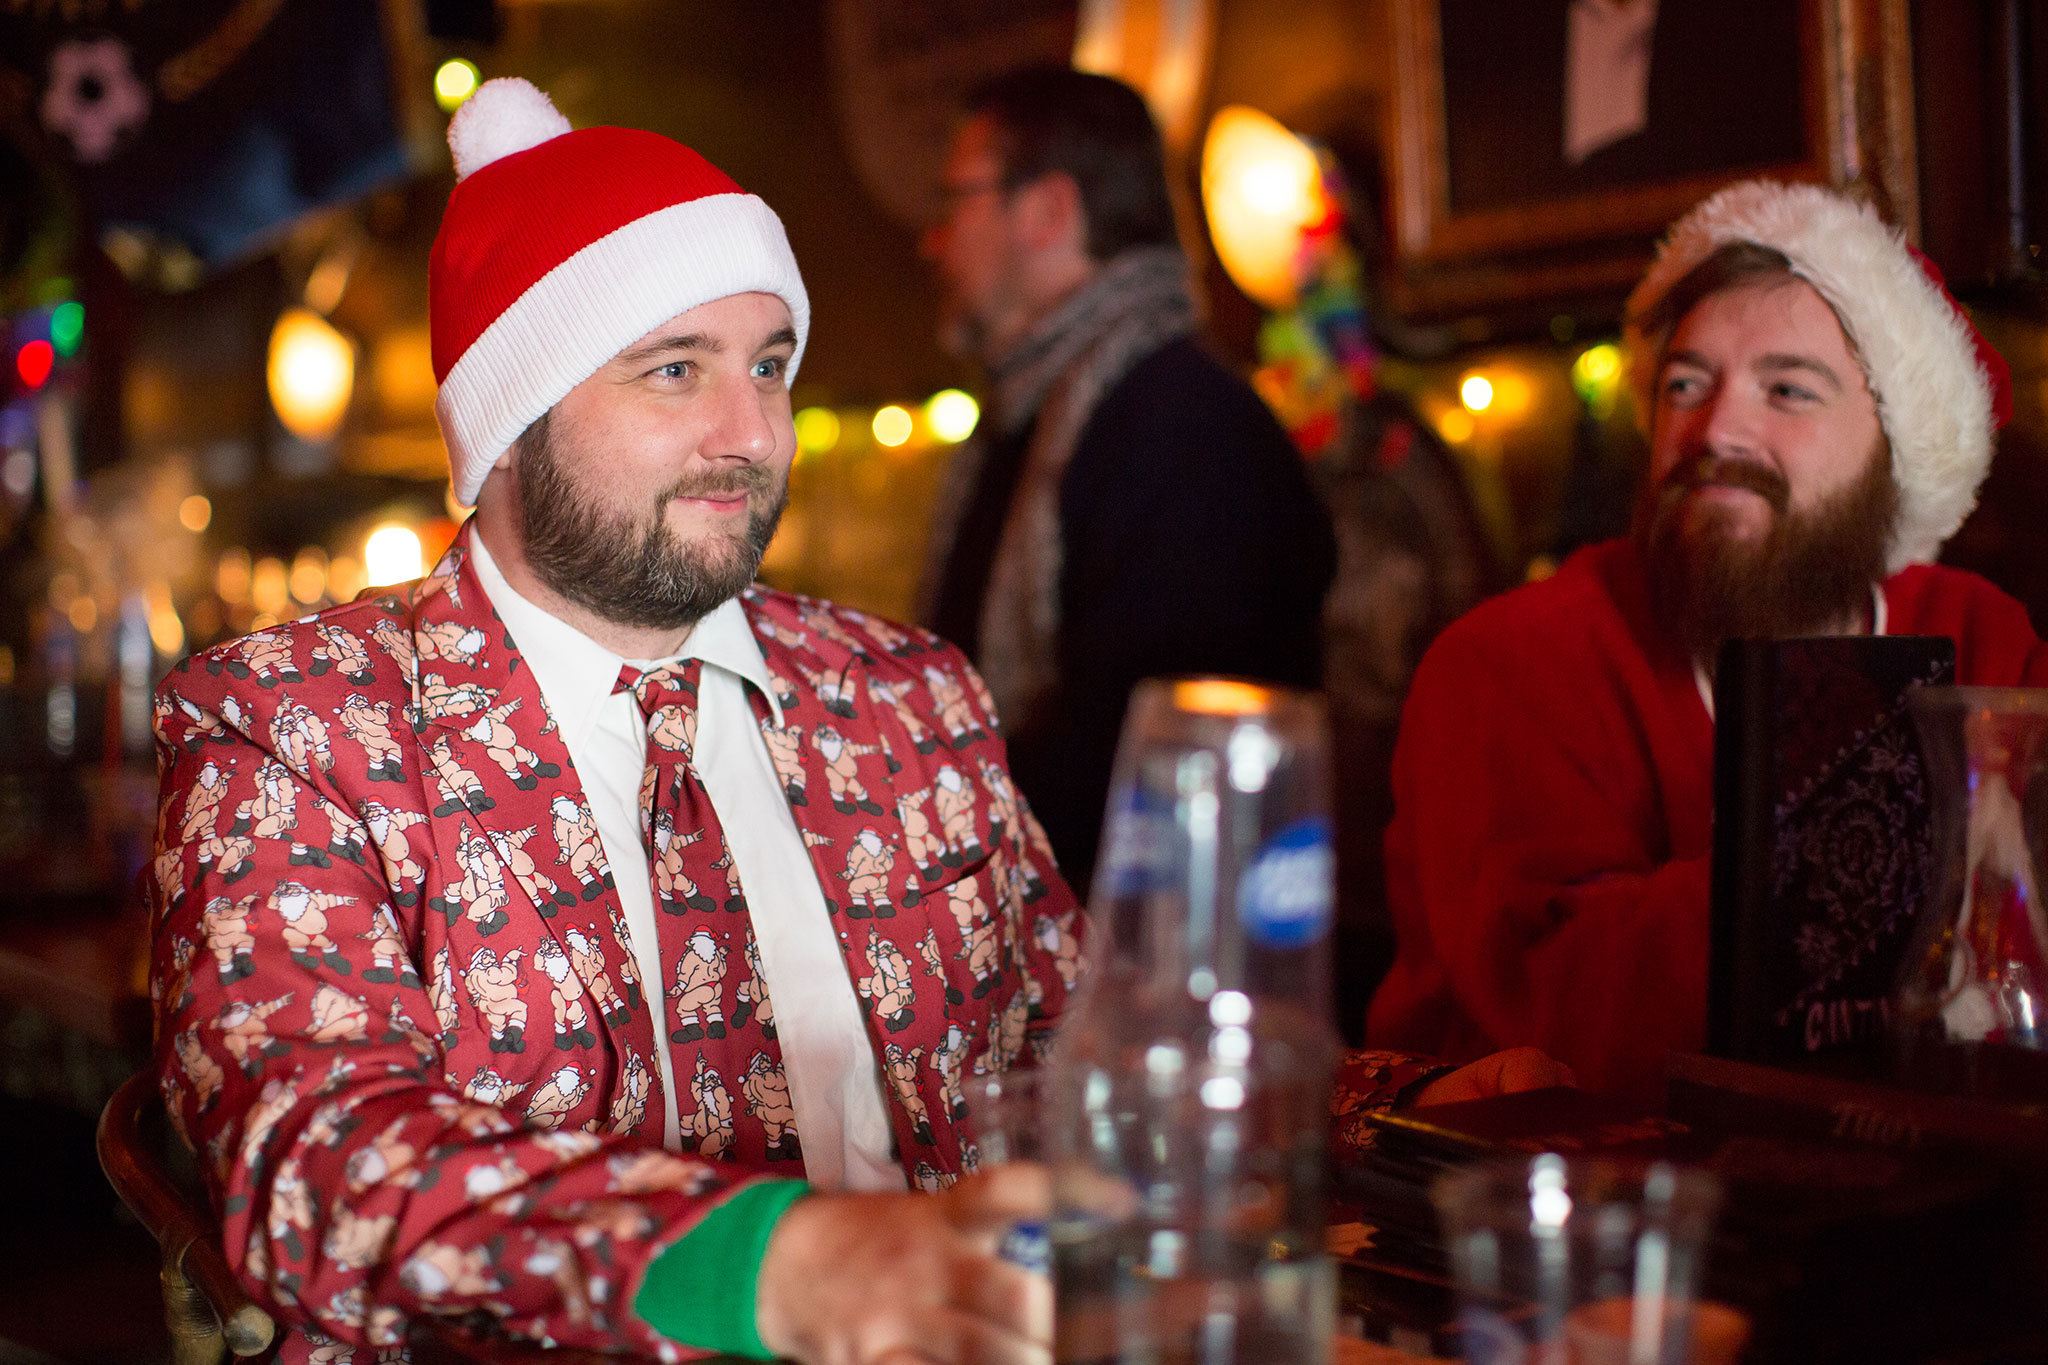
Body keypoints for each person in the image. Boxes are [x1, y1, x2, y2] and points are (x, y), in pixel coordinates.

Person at [149, 79, 1552, 1363]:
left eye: (768, 364)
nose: (753, 433)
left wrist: (1406, 1108)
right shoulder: (295, 727)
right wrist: (796, 1266)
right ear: (510, 418)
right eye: (676, 369)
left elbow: (1082, 1048)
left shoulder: (904, 693)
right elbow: (315, 1160)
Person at [1367, 179, 2046, 1095]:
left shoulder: (1979, 635)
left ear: (1895, 448)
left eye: (1788, 390)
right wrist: (1919, 857)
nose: (1717, 428)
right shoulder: (1509, 660)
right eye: (1686, 384)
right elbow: (1564, 1010)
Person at [919, 66, 1336, 893]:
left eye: (954, 200)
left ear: (1048, 211)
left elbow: (1150, 765)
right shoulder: (1033, 416)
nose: (933, 241)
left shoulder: (1184, 426)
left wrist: (917, 820)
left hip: (1152, 937)